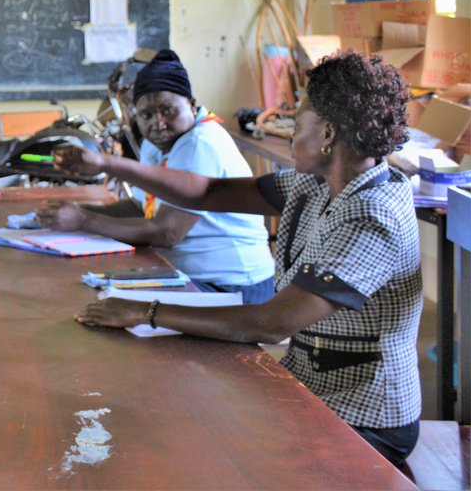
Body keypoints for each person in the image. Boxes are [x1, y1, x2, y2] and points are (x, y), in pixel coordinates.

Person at [66, 52, 422, 465]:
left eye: (297, 121)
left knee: (199, 447)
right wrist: (110, 164)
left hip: (366, 419)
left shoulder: (372, 215)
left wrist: (146, 311)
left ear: (327, 133)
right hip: (314, 388)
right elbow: (208, 193)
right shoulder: (318, 184)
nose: (288, 132)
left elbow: (271, 323)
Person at [37, 49, 275, 303]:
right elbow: (140, 207)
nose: (158, 123)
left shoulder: (201, 143)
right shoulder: (158, 143)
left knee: (106, 307)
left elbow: (167, 233)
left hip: (231, 286)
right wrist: (72, 210)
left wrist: (83, 220)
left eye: (168, 110)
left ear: (192, 104)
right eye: (146, 115)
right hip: (185, 275)